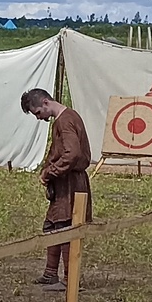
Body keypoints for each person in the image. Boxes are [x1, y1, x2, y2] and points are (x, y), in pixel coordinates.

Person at [22, 87, 92, 289]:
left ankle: (71, 280)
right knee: (53, 226)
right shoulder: (65, 119)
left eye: (37, 113)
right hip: (65, 181)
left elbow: (72, 154)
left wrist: (50, 172)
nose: (39, 118)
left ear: (45, 102)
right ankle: (50, 273)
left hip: (70, 182)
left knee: (65, 228)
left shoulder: (65, 120)